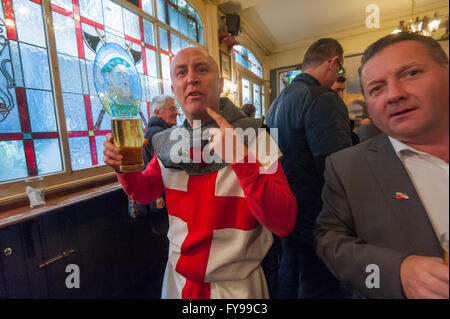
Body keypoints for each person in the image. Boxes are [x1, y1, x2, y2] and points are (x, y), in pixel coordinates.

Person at [103, 47, 297, 299]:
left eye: (201, 69)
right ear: (174, 90)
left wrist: (242, 159)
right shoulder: (165, 142)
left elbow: (284, 221)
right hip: (178, 281)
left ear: (220, 83)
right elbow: (145, 190)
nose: (191, 78)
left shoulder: (256, 136)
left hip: (237, 287)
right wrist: (124, 170)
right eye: (181, 72)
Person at [315, 32, 449, 299]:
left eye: (411, 73)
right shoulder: (347, 167)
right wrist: (395, 273)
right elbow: (328, 240)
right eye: (377, 88)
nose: (394, 94)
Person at [266, 38, 353, 298]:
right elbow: (337, 165)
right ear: (334, 62)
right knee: (317, 285)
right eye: (339, 71)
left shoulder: (276, 103)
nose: (338, 75)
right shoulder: (323, 97)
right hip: (317, 213)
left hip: (284, 208)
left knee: (289, 275)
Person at [129, 95, 178, 236]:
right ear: (157, 112)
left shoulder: (154, 131)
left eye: (176, 108)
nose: (176, 112)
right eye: (171, 108)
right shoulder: (159, 133)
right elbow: (166, 169)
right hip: (159, 200)